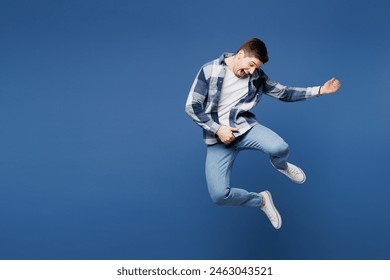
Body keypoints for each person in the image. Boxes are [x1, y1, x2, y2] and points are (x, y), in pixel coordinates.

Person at [185, 38, 341, 229]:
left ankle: (281, 165)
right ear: (240, 54)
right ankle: (262, 201)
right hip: (218, 139)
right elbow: (192, 107)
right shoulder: (210, 70)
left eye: (255, 67)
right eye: (251, 65)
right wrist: (218, 129)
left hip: (245, 128)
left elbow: (284, 93)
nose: (252, 71)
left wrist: (320, 90)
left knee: (280, 147)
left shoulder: (257, 76)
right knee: (219, 195)